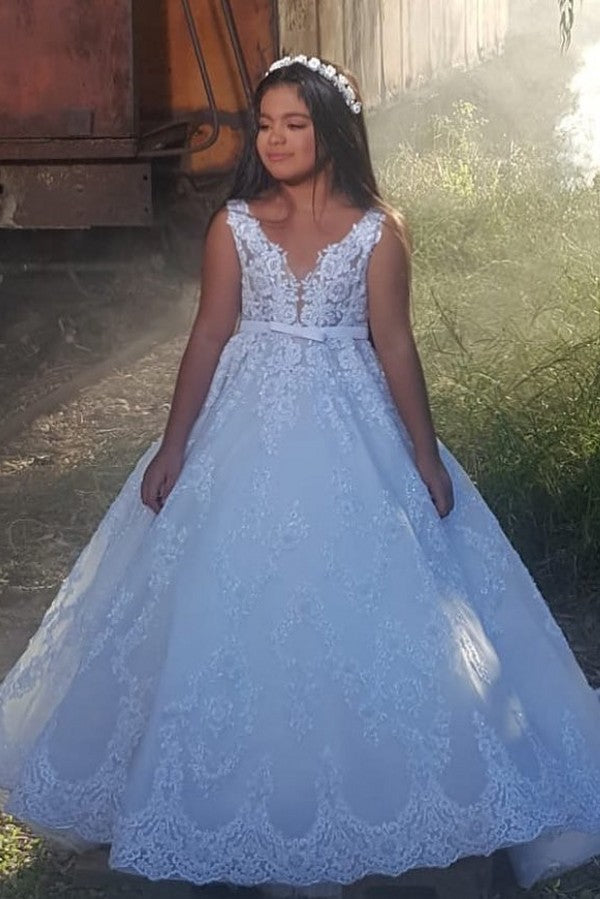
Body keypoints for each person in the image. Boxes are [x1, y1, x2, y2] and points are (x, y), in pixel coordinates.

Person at [1, 54, 600, 898]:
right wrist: (173, 446)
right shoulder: (235, 226)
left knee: (368, 592)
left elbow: (395, 344)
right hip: (243, 425)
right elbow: (210, 335)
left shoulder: (378, 231)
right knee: (222, 590)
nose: (275, 140)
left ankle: (390, 793)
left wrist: (424, 454)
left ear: (334, 132)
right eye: (264, 125)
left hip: (354, 427)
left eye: (295, 124)